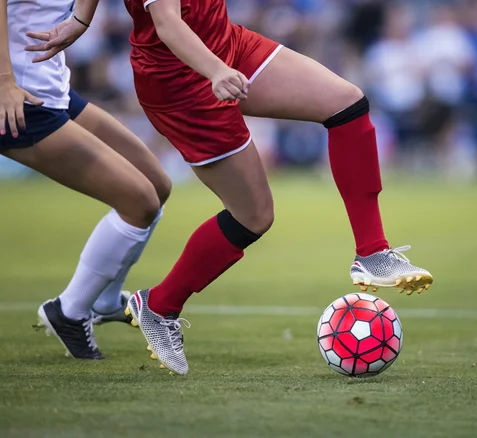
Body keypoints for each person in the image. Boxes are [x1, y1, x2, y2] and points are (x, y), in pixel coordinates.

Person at [28, 0, 433, 375]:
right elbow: (168, 22)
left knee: (346, 103)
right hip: (182, 80)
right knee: (254, 215)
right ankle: (159, 306)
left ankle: (373, 253)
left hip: (223, 41)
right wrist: (216, 71)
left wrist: (81, 18)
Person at [2, 0, 171, 359]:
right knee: (140, 201)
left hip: (53, 92)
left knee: (156, 184)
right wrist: (3, 81)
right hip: (17, 102)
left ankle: (106, 301)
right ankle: (69, 311)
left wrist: (81, 18)